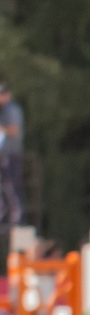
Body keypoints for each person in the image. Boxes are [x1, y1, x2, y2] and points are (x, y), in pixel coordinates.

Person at [0, 82, 22, 227]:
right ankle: (3, 215)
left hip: (11, 154)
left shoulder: (13, 110)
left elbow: (14, 130)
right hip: (3, 154)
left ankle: (17, 217)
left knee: (12, 186)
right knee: (3, 186)